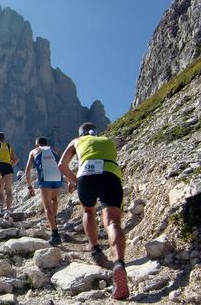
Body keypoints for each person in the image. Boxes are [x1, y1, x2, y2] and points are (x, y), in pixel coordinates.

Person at [58, 122, 129, 300]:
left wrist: (74, 180)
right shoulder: (107, 139)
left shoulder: (77, 141)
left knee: (89, 211)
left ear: (81, 133)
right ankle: (119, 263)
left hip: (86, 174)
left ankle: (95, 249)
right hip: (110, 174)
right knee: (112, 221)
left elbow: (62, 165)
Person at [25, 137, 63, 245]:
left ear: (37, 145)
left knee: (47, 207)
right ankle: (53, 221)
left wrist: (29, 187)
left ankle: (55, 235)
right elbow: (61, 164)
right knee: (54, 199)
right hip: (57, 177)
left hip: (45, 177)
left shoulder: (34, 151)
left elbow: (28, 169)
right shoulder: (54, 150)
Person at [0, 132, 18, 219]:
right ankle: (7, 211)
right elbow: (15, 159)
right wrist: (10, 165)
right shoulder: (9, 146)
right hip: (8, 166)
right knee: (8, 190)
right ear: (4, 139)